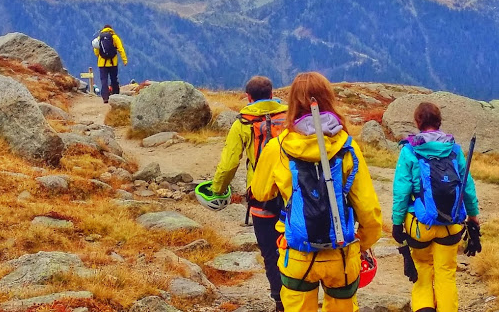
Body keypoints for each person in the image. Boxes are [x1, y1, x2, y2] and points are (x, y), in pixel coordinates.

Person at [251, 72, 382, 312]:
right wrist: (361, 244)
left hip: (297, 252)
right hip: (342, 253)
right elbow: (369, 210)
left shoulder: (277, 147)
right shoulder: (347, 147)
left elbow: (261, 192)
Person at [202, 76, 288, 311]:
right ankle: (301, 297)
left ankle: (280, 302)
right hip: (293, 194)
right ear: (272, 94)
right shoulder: (290, 117)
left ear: (248, 98)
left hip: (261, 196)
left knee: (270, 252)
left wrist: (217, 190)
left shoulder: (243, 122)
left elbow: (230, 163)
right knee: (295, 245)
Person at [391, 101, 481, 312]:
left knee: (422, 271)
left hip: (420, 224)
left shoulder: (409, 151)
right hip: (451, 224)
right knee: (446, 274)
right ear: (440, 122)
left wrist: (397, 224)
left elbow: (401, 192)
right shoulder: (454, 150)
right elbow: (466, 185)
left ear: (418, 122)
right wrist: (473, 217)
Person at [92, 24, 127, 103]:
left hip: (102, 64)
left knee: (104, 80)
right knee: (114, 79)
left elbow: (96, 50)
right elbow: (121, 49)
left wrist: (100, 56)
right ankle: (116, 96)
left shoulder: (99, 37)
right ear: (111, 29)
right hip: (113, 63)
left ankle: (105, 97)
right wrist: (124, 60)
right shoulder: (114, 37)